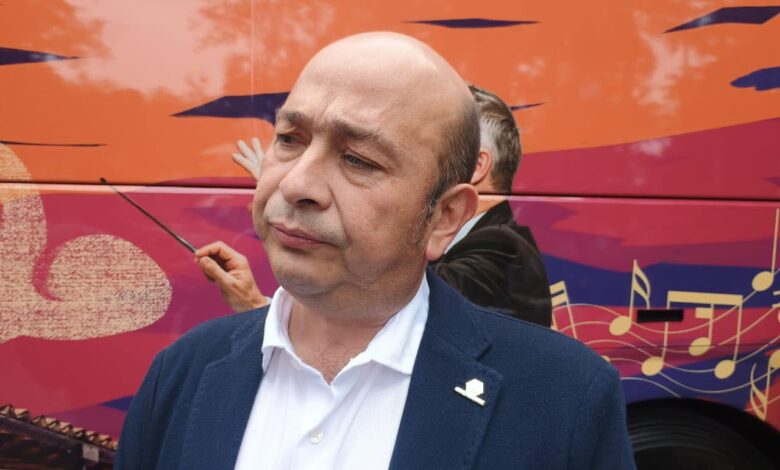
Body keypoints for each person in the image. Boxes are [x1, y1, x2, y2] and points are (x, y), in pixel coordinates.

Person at [116, 32, 635, 469]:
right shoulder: (180, 372)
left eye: (359, 160)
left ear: (445, 216)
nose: (296, 184)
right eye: (290, 139)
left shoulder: (566, 400)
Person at [198, 86, 552, 326]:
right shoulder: (490, 240)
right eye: (290, 141)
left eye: (360, 160)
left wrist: (255, 305)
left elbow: (391, 317)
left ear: (477, 167)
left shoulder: (499, 250)